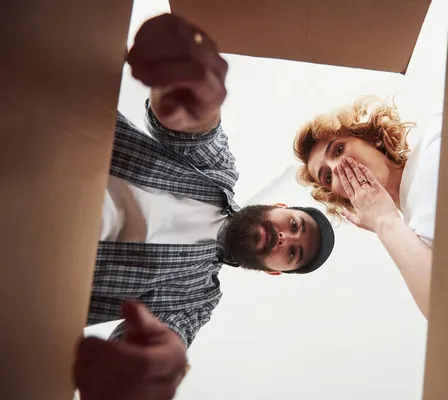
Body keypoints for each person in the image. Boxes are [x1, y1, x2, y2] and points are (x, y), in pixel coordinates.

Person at [74, 14, 335, 400]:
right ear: (280, 206)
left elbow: (163, 341)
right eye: (294, 224)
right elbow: (193, 127)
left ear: (275, 271)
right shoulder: (217, 171)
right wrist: (193, 94)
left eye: (293, 252)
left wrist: (154, 365)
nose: (284, 237)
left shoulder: (197, 300)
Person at [293, 95, 443, 319]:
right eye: (326, 177)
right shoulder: (409, 237)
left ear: (370, 139)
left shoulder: (436, 137)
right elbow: (444, 308)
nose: (337, 167)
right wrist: (383, 221)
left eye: (338, 149)